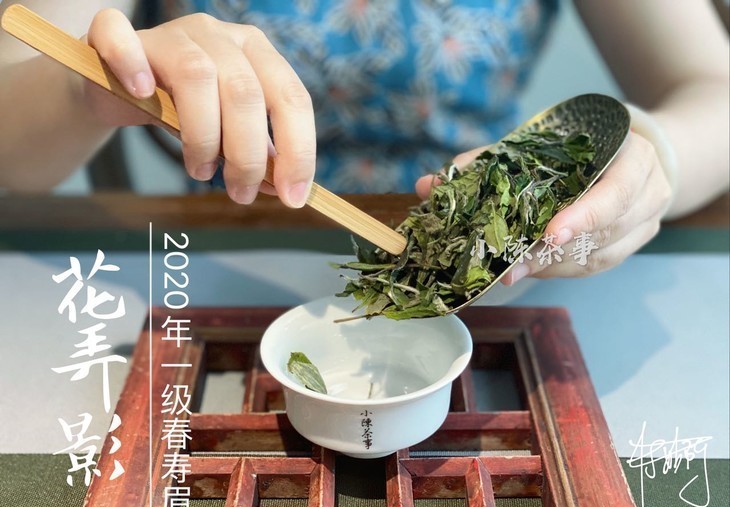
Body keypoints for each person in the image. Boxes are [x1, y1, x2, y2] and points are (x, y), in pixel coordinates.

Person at [0, 0, 727, 284]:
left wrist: (656, 156)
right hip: (229, 253)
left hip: (485, 266)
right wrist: (84, 88)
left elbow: (713, 89)